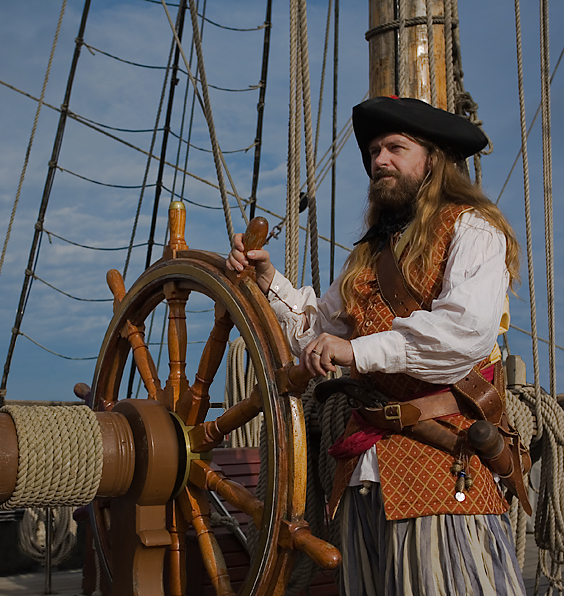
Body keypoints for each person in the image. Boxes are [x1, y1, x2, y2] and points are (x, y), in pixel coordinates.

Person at [226, 96, 527, 596]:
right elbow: (316, 331)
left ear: (433, 159)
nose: (378, 160)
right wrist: (267, 279)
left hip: (440, 463)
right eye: (372, 151)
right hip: (365, 472)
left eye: (395, 148)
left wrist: (359, 353)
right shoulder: (369, 253)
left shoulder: (473, 228)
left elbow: (464, 332)